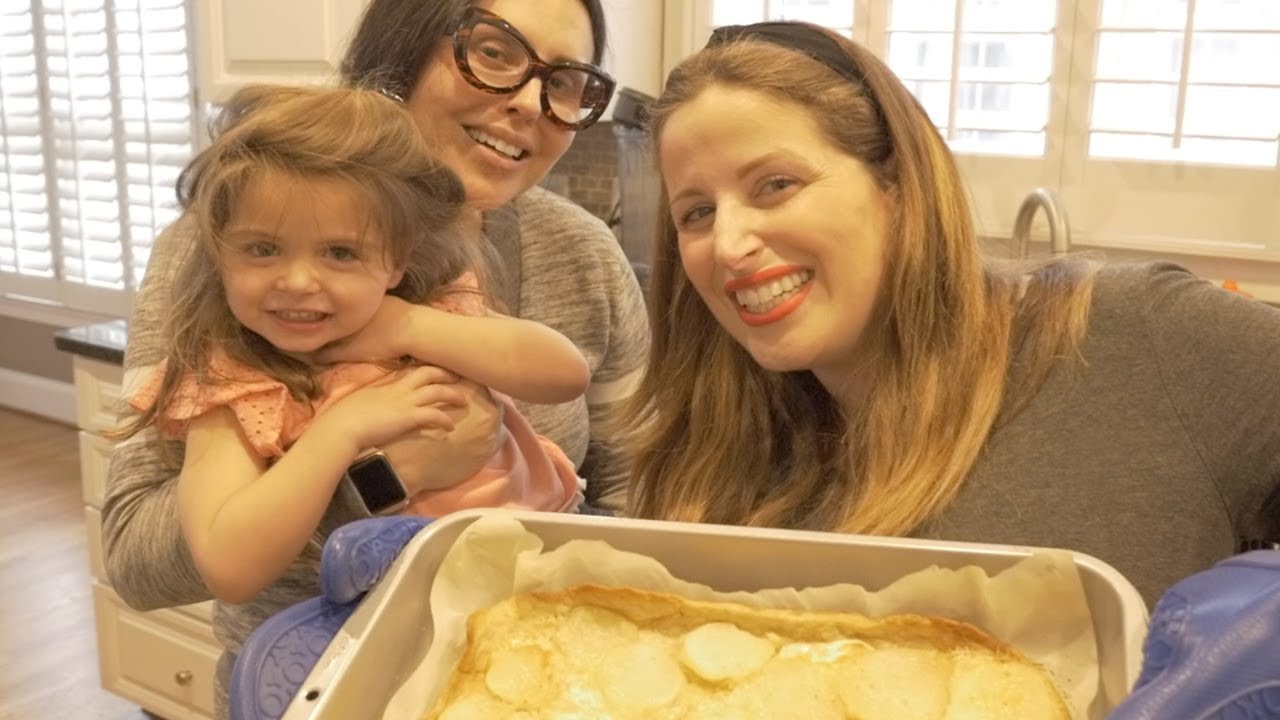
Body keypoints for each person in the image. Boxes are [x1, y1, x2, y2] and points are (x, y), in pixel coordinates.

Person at [103, 0, 648, 716]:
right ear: (402, 46)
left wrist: (404, 326)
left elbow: (632, 488)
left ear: (398, 261)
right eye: (494, 52)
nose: (527, 102)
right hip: (317, 679)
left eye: (566, 81)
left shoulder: (568, 256)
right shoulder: (223, 277)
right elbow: (136, 560)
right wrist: (377, 476)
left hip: (531, 670)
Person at [620, 20, 1280, 611]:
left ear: (897, 184)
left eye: (775, 185)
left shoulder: (1143, 340)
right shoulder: (717, 454)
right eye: (697, 212)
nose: (729, 244)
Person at [116, 83, 590, 607]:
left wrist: (408, 327)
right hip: (395, 617)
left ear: (396, 261)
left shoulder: (432, 312)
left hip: (549, 569)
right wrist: (342, 431)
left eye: (341, 253)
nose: (298, 281)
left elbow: (565, 375)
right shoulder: (238, 383)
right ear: (218, 253)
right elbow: (228, 568)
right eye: (262, 248)